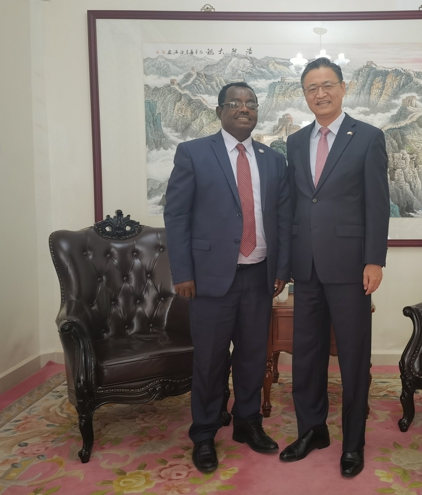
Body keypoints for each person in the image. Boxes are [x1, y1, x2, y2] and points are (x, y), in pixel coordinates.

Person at [164, 82, 292, 473]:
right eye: (235, 103)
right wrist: (183, 273)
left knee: (252, 357)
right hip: (209, 278)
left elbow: (283, 219)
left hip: (259, 275)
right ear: (219, 111)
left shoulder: (274, 160)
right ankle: (204, 434)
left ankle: (247, 423)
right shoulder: (193, 153)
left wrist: (282, 269)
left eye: (251, 103)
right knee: (210, 361)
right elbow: (177, 216)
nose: (244, 108)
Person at [279, 58, 390, 477]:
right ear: (304, 95)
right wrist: (286, 263)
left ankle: (353, 443)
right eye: (312, 88)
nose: (320, 93)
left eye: (328, 85)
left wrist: (374, 259)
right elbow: (294, 205)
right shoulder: (295, 142)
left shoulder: (368, 137)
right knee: (306, 356)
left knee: (353, 358)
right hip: (306, 268)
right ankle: (312, 431)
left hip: (350, 267)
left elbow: (377, 204)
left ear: (344, 88)